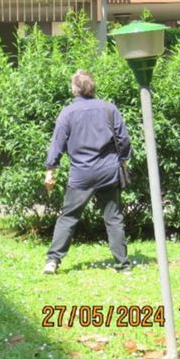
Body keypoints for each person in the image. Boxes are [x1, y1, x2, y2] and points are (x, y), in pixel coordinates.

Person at [42, 70, 132, 274]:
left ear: (75, 89)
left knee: (68, 217)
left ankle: (52, 261)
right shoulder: (109, 108)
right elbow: (123, 139)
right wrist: (124, 160)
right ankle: (123, 265)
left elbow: (57, 144)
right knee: (114, 219)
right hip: (108, 172)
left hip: (81, 174)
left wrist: (50, 171)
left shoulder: (67, 113)